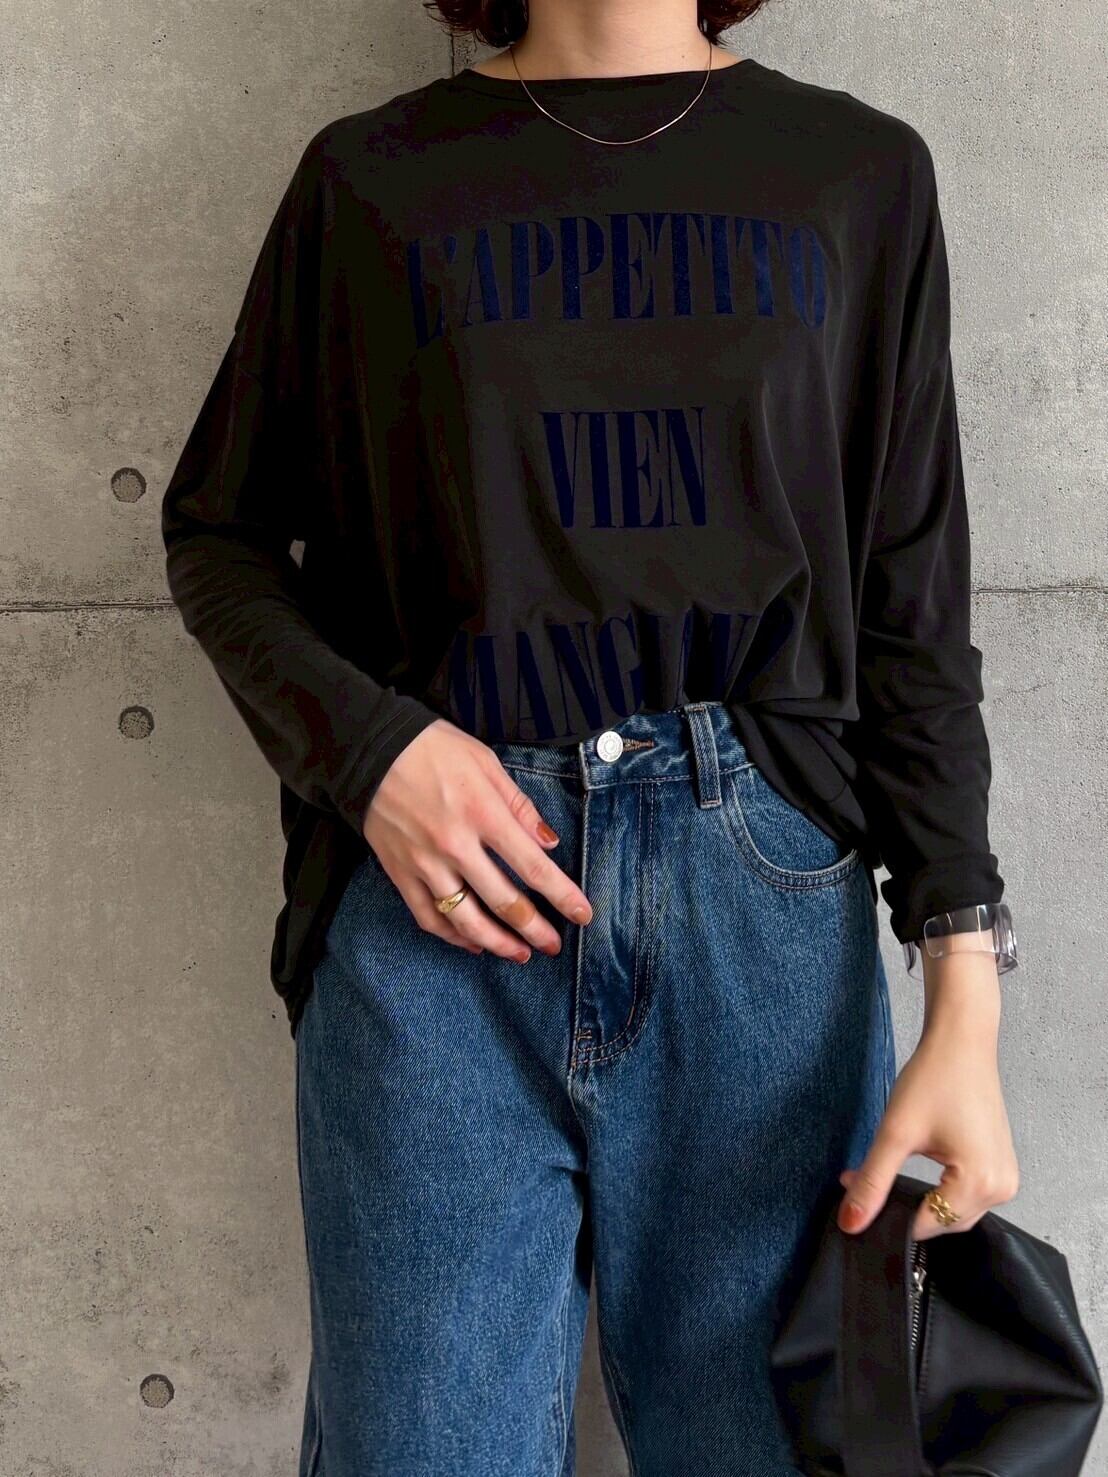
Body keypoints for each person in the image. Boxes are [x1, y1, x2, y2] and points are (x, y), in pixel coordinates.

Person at [160, 2, 1021, 1472]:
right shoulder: (370, 182)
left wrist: (965, 988)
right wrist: (372, 754)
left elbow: (912, 607)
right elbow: (219, 536)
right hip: (442, 924)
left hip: (763, 924)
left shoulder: (858, 173)